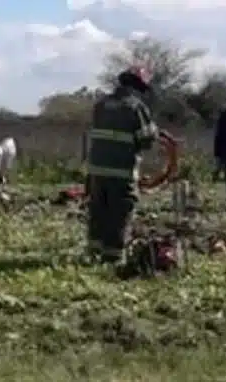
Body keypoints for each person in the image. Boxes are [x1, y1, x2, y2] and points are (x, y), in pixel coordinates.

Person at [85, 66, 159, 264]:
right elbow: (146, 140)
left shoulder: (101, 105)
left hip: (97, 169)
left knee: (99, 209)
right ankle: (113, 256)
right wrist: (154, 131)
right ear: (137, 88)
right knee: (120, 211)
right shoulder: (136, 107)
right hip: (121, 170)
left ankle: (94, 251)